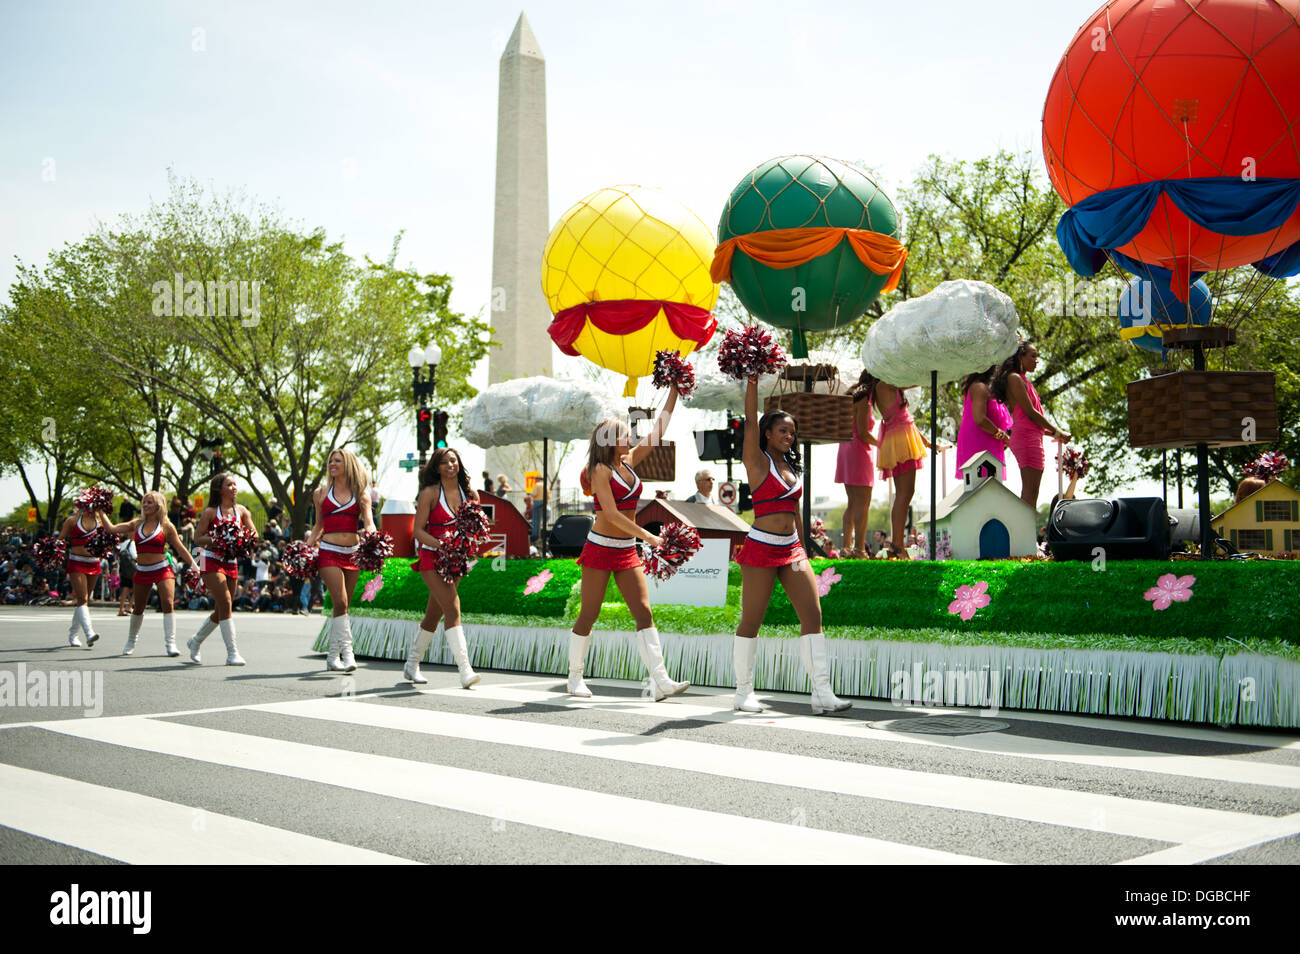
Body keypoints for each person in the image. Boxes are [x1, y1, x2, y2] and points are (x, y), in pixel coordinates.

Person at [733, 374, 850, 715]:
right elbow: (751, 416)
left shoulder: (792, 468)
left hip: (791, 549)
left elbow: (795, 511)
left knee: (813, 615)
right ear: (767, 433)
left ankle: (822, 693)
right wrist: (753, 381)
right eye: (782, 430)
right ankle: (743, 693)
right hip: (761, 546)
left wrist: (803, 548)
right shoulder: (756, 461)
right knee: (752, 619)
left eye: (792, 432)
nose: (789, 436)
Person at [567, 391, 689, 701]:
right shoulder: (600, 471)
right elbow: (609, 514)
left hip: (625, 551)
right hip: (600, 547)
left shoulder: (630, 461)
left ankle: (660, 681)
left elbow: (659, 429)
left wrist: (674, 390)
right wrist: (648, 536)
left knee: (643, 611)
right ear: (608, 440)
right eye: (623, 434)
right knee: (589, 614)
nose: (629, 437)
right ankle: (574, 678)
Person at [403, 447, 481, 687]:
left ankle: (411, 664)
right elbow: (418, 531)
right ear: (436, 467)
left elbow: (475, 529)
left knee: (434, 614)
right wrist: (441, 545)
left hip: (455, 560)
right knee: (453, 607)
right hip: (431, 558)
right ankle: (465, 670)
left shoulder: (470, 494)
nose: (450, 465)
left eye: (454, 461)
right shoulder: (429, 493)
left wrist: (467, 542)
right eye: (445, 462)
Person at [100, 492, 198, 657]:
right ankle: (131, 641)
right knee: (138, 608)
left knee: (168, 602)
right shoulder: (137, 523)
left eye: (149, 502)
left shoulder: (167, 526)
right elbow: (111, 529)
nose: (145, 505)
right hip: (143, 571)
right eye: (144, 502)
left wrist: (195, 566)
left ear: (158, 505)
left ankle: (171, 644)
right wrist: (100, 511)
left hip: (162, 569)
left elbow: (180, 548)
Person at [307, 448, 376, 673]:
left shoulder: (361, 494)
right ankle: (348, 654)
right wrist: (305, 549)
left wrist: (373, 535)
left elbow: (368, 522)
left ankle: (332, 657)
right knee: (341, 600)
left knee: (342, 605)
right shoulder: (320, 493)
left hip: (353, 552)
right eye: (331, 461)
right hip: (328, 550)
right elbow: (318, 525)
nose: (332, 464)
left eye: (337, 460)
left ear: (348, 465)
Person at [186, 472, 257, 666]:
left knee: (221, 610)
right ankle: (232, 653)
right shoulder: (210, 512)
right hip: (210, 560)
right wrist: (220, 539)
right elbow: (198, 539)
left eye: (235, 484)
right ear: (219, 489)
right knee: (225, 602)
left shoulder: (242, 511)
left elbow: (254, 534)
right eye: (229, 484)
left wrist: (241, 539)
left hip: (231, 562)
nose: (234, 488)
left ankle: (195, 641)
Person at [861, 373, 934, 560]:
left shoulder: (889, 384)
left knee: (905, 492)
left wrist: (925, 441)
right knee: (904, 492)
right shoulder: (884, 383)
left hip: (903, 435)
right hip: (900, 438)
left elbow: (906, 416)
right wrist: (932, 373)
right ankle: (898, 545)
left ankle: (897, 544)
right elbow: (912, 379)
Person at [994, 341, 1071, 509]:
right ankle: (1024, 533)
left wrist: (1054, 434)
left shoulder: (1024, 381)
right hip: (1026, 439)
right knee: (1030, 493)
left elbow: (1034, 419)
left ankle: (1025, 531)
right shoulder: (1014, 379)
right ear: (1020, 357)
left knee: (1032, 493)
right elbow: (1029, 413)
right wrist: (1057, 430)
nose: (1037, 360)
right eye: (1033, 356)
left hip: (1032, 437)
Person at [836, 371, 879, 558]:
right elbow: (863, 432)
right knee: (863, 503)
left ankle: (846, 547)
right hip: (859, 450)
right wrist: (883, 445)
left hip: (846, 448)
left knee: (852, 503)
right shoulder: (864, 399)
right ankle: (860, 549)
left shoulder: (852, 394)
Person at [57, 502, 112, 648]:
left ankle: (73, 634)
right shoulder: (72, 521)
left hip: (93, 563)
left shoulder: (100, 522)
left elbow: (108, 539)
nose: (91, 507)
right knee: (82, 597)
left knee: (84, 599)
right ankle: (89, 633)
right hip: (76, 562)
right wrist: (52, 552)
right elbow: (60, 540)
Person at [955, 366, 1012, 478]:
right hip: (979, 445)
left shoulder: (987, 389)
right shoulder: (979, 387)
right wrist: (1003, 436)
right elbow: (980, 419)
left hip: (990, 442)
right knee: (983, 486)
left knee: (992, 487)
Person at [115, 536, 136, 616]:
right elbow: (134, 556)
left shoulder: (124, 543)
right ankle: (129, 606)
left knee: (125, 588)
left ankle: (121, 608)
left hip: (124, 569)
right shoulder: (132, 543)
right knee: (137, 588)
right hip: (132, 569)